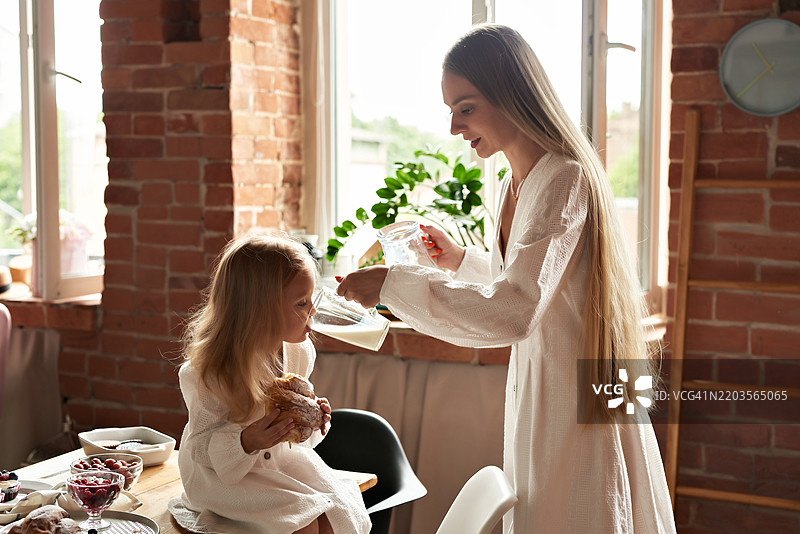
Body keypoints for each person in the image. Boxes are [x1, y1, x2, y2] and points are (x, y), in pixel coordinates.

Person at [336, 24, 676, 533]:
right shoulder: (513, 181)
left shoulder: (564, 177)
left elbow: (517, 310)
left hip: (574, 399)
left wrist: (394, 285)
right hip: (540, 390)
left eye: (465, 108)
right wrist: (458, 260)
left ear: (512, 95)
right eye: (451, 110)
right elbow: (526, 280)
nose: (454, 127)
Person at [173, 233, 371, 534]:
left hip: (278, 461)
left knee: (337, 515)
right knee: (302, 524)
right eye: (302, 303)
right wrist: (246, 441)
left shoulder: (299, 351)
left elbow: (293, 437)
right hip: (222, 476)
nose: (313, 312)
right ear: (260, 310)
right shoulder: (207, 373)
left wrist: (311, 422)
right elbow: (199, 447)